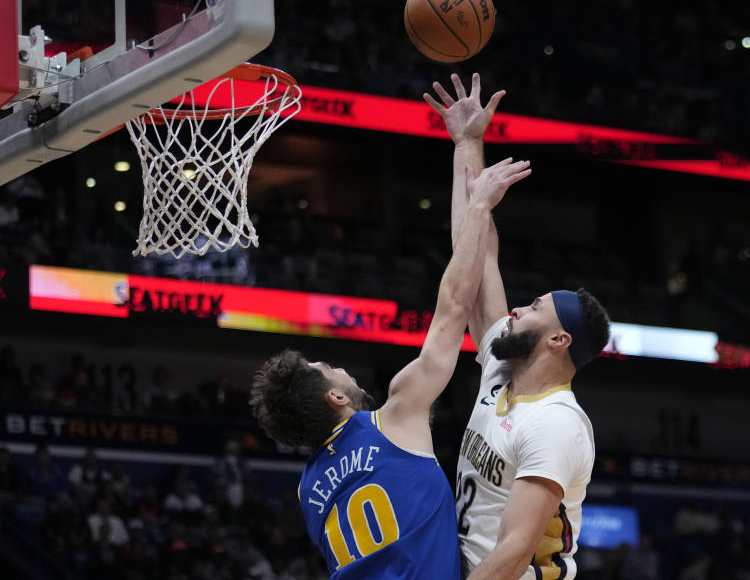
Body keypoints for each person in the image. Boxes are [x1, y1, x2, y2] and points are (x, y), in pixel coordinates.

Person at [249, 157, 532, 579]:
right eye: (329, 367)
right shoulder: (393, 418)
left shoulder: (308, 490)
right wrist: (478, 207)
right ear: (336, 396)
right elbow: (454, 304)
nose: (342, 368)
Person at [425, 73, 612, 580]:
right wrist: (467, 143)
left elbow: (512, 553)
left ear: (558, 339)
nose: (516, 311)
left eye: (533, 307)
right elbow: (476, 255)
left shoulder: (555, 424)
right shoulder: (502, 373)